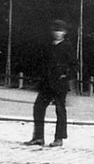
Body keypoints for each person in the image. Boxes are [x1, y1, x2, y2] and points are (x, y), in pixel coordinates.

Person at [24, 19, 75, 148]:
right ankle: (38, 137)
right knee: (39, 108)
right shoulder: (47, 46)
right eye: (55, 30)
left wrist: (66, 76)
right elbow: (41, 63)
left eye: (60, 31)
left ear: (65, 32)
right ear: (52, 31)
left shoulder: (68, 46)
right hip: (46, 83)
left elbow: (74, 66)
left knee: (60, 110)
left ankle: (59, 138)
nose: (58, 33)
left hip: (60, 84)